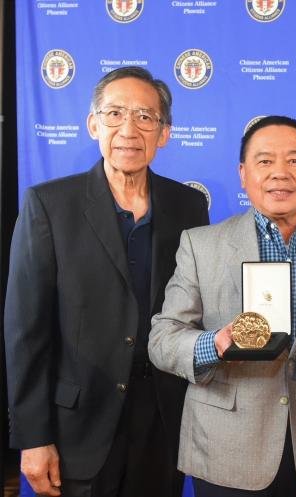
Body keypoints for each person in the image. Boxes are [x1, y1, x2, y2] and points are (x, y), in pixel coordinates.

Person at [4, 67, 209, 497]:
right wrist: (33, 437)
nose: (129, 130)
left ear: (164, 132)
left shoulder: (188, 205)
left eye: (145, 117)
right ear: (93, 124)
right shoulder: (49, 205)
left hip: (162, 420)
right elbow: (25, 333)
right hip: (77, 425)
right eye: (114, 114)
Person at [148, 116, 296, 496]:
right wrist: (216, 344)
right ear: (243, 173)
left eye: (295, 161)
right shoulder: (200, 245)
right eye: (265, 161)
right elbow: (162, 338)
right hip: (228, 450)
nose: (280, 174)